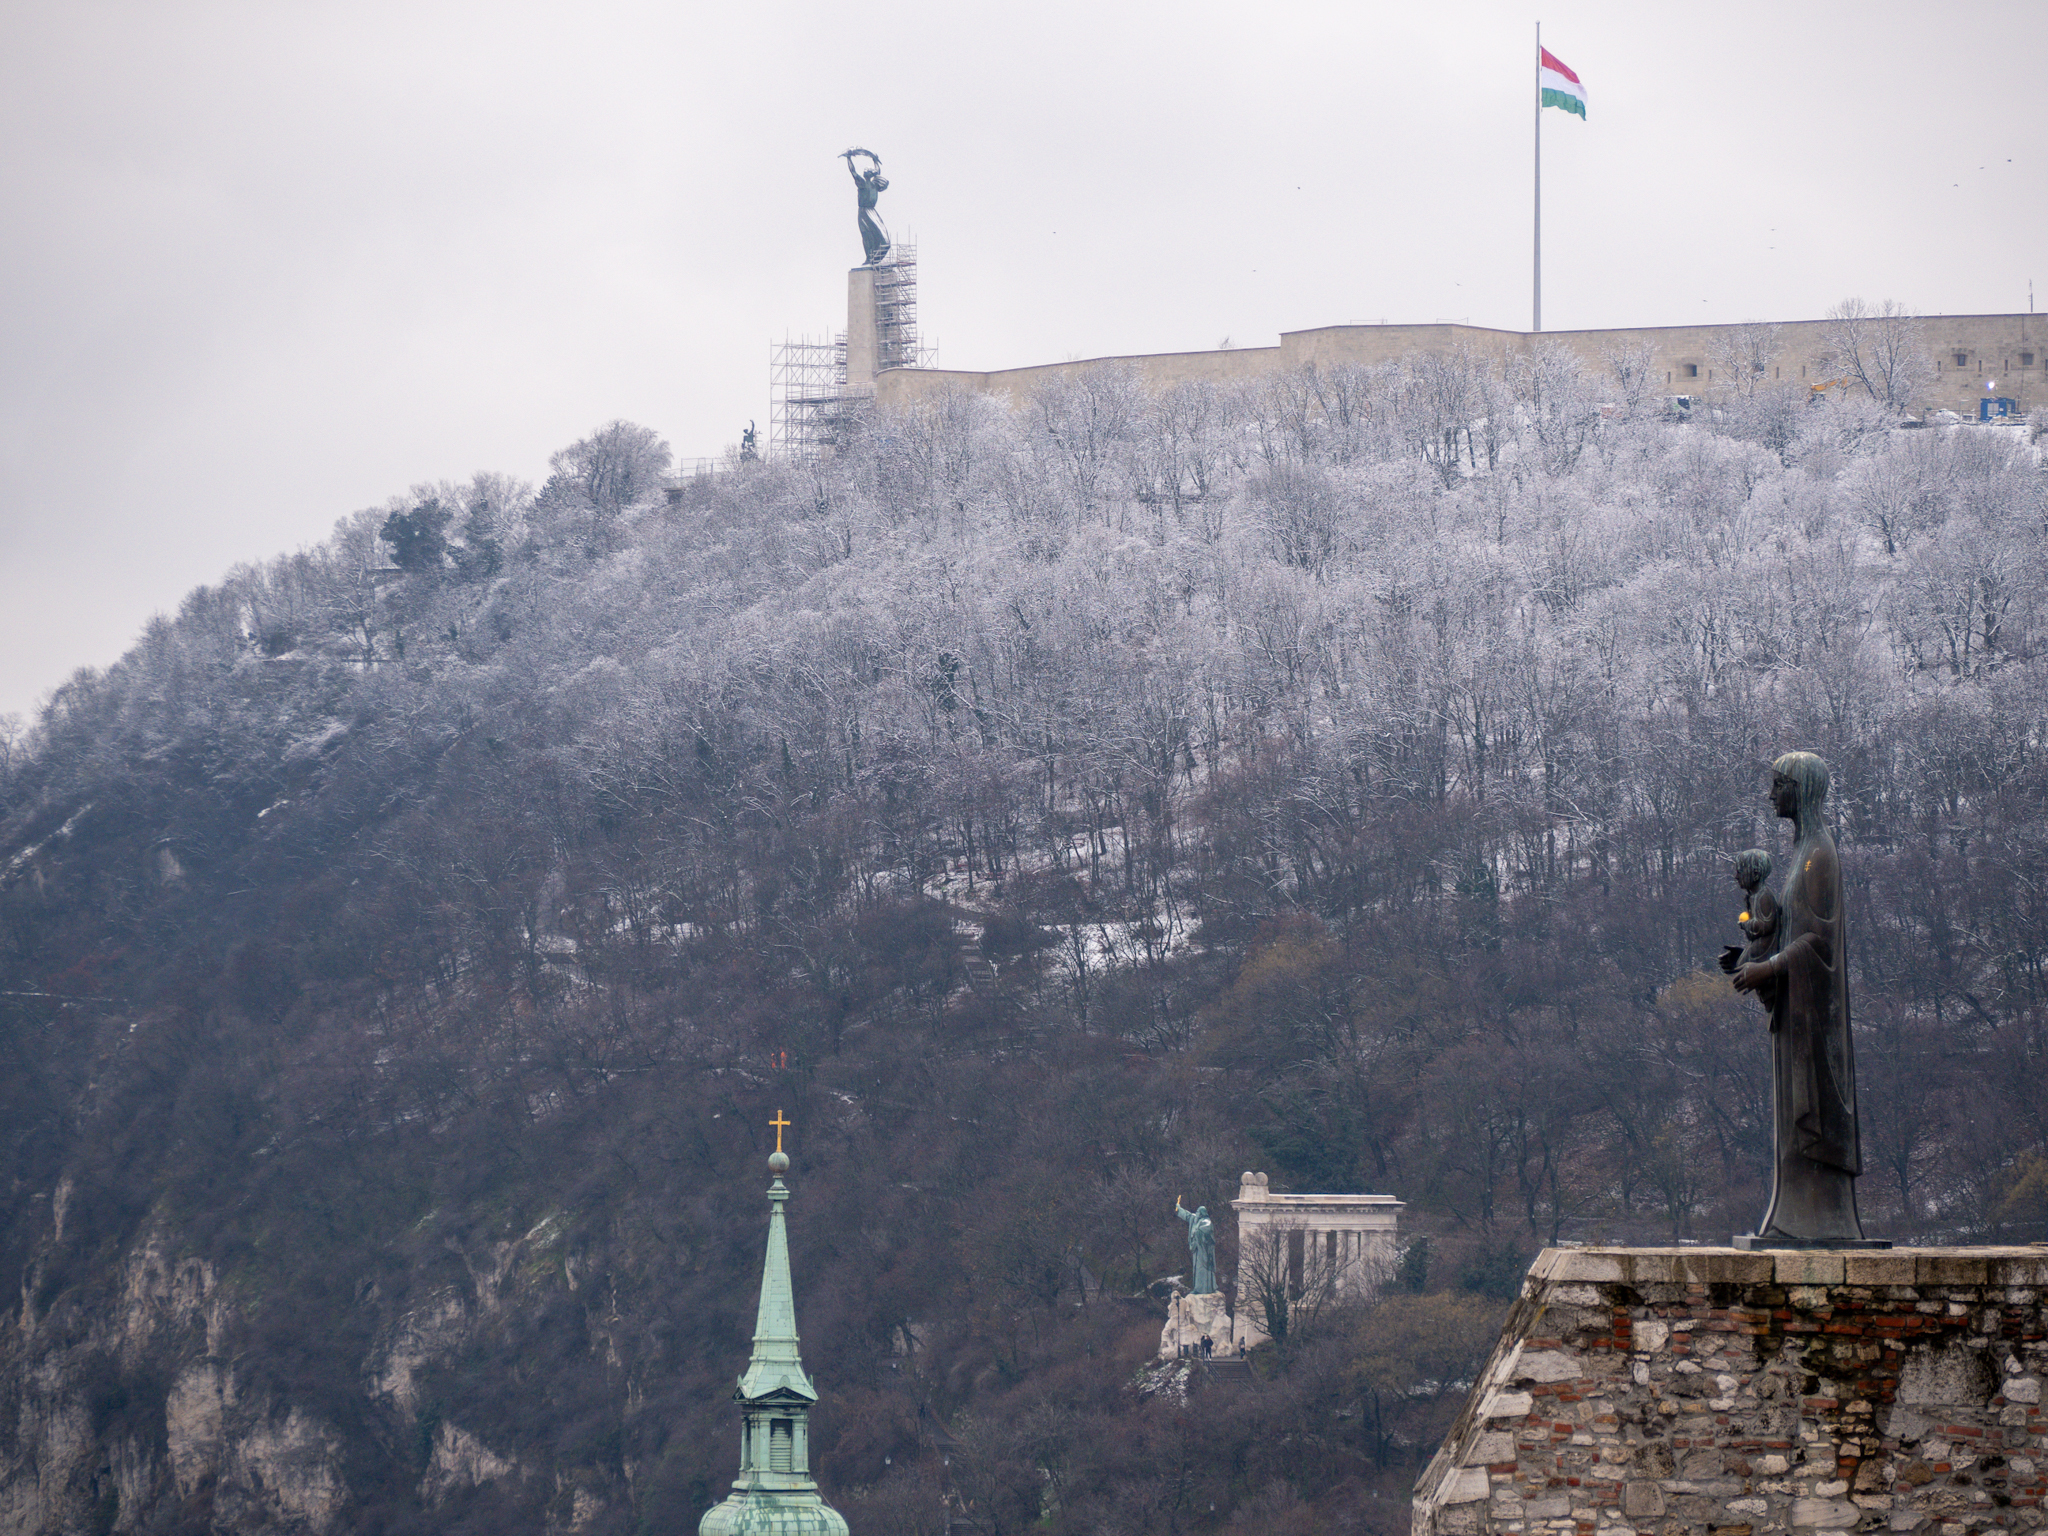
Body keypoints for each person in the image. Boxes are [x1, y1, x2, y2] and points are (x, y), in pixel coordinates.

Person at [1731, 753, 1869, 1242]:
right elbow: (1788, 927)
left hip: (1814, 1014)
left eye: (1778, 784)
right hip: (1796, 1009)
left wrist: (1767, 966)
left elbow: (1816, 941)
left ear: (1802, 790)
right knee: (1791, 1115)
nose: (1771, 795)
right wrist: (1754, 954)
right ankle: (1793, 1215)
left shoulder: (1820, 855)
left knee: (1805, 1111)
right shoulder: (1803, 852)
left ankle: (1816, 1219)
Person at [842, 150, 891, 266]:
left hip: (872, 211)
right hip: (864, 211)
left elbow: (877, 171)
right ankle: (870, 258)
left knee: (885, 240)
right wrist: (848, 158)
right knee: (868, 236)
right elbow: (853, 171)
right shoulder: (862, 184)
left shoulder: (874, 184)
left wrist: (875, 160)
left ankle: (874, 258)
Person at [1174, 1198, 1217, 1295]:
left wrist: (1197, 1232)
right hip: (1197, 1249)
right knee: (1197, 1270)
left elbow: (1208, 1227)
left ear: (1202, 1213)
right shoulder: (1194, 1219)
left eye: (1198, 1212)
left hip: (1204, 1251)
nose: (1196, 1213)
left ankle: (1205, 1289)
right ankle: (1198, 1288)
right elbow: (1187, 1215)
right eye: (1196, 1212)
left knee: (1203, 1269)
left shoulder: (1206, 1221)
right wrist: (1178, 1208)